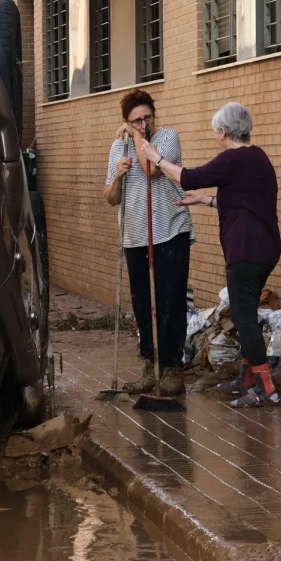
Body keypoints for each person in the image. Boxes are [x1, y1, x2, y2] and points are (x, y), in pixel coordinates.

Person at [139, 102, 281, 407]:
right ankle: (246, 380)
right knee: (246, 313)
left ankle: (265, 389)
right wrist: (206, 200)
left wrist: (157, 157)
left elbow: (187, 176)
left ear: (223, 131)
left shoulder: (232, 158)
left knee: (242, 316)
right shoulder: (258, 158)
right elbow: (246, 202)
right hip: (265, 248)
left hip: (245, 249)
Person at [104, 90, 193, 396]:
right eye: (136, 120)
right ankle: (149, 366)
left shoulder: (167, 138)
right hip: (135, 235)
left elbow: (152, 169)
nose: (143, 124)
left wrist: (135, 136)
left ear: (154, 116)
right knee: (143, 304)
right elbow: (111, 198)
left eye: (146, 118)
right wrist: (117, 176)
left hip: (170, 231)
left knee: (169, 300)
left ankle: (171, 368)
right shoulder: (119, 147)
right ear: (126, 121)